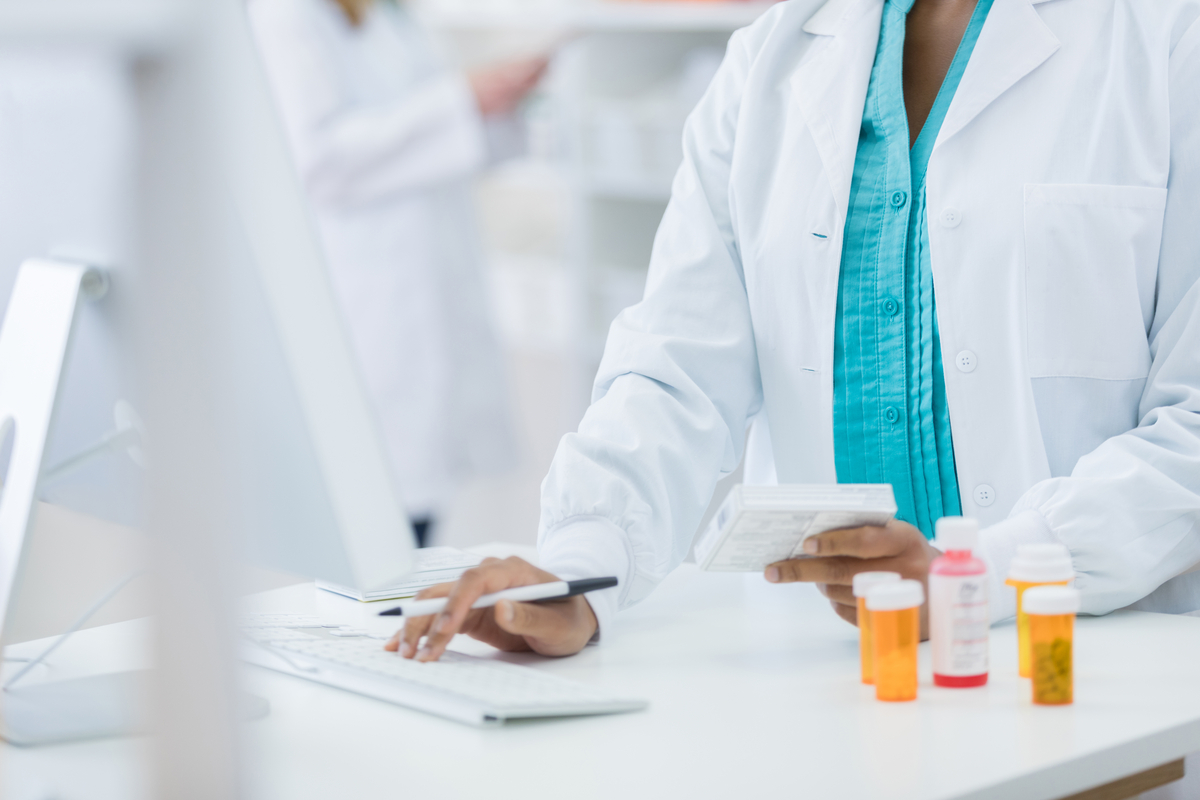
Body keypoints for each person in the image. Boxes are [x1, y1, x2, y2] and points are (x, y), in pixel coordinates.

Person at [387, 0, 1200, 661]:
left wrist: (970, 578)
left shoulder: (1169, 40)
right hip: (833, 682)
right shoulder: (767, 64)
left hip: (1094, 670)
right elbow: (675, 375)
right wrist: (574, 575)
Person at [250, 0, 547, 545]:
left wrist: (491, 104)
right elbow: (316, 160)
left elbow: (438, 139)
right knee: (379, 521)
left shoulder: (391, 15)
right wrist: (461, 100)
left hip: (426, 289)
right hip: (367, 302)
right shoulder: (290, 15)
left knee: (414, 519)